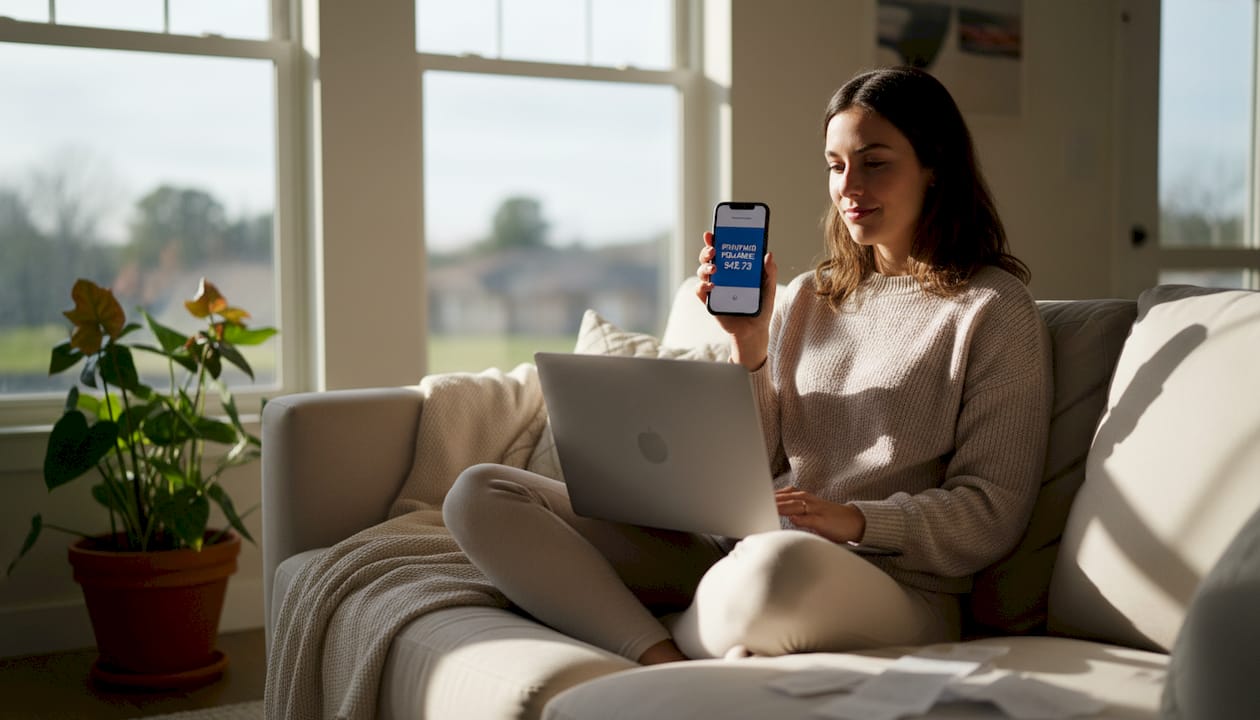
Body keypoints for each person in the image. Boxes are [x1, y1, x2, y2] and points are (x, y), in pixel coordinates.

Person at [443, 65, 1052, 666]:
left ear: (935, 167)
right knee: (480, 492)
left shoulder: (993, 309)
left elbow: (990, 512)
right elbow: (757, 466)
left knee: (774, 567)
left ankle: (641, 619)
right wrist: (749, 341)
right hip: (747, 547)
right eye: (836, 166)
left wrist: (855, 520)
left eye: (875, 162)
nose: (848, 187)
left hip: (887, 583)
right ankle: (658, 653)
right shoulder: (813, 296)